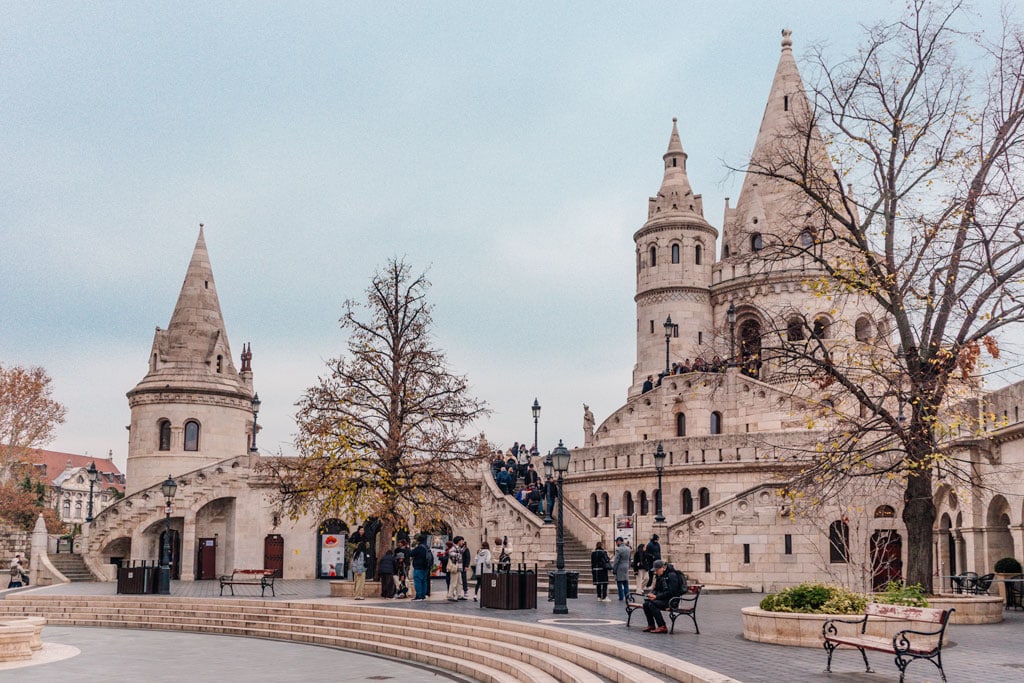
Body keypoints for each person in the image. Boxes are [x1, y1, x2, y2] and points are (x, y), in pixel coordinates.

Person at [641, 560, 684, 633]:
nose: (656, 572)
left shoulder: (672, 575)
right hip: (663, 599)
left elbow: (671, 592)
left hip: (671, 601)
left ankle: (662, 626)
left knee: (652, 604)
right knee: (646, 604)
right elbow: (657, 589)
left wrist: (656, 597)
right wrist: (652, 594)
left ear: (663, 568)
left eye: (657, 570)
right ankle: (651, 625)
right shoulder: (660, 576)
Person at [410, 534, 432, 600]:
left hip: (418, 567)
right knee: (424, 581)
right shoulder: (427, 547)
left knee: (418, 582)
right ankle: (423, 595)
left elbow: (411, 554)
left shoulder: (419, 548)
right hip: (426, 567)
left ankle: (418, 596)